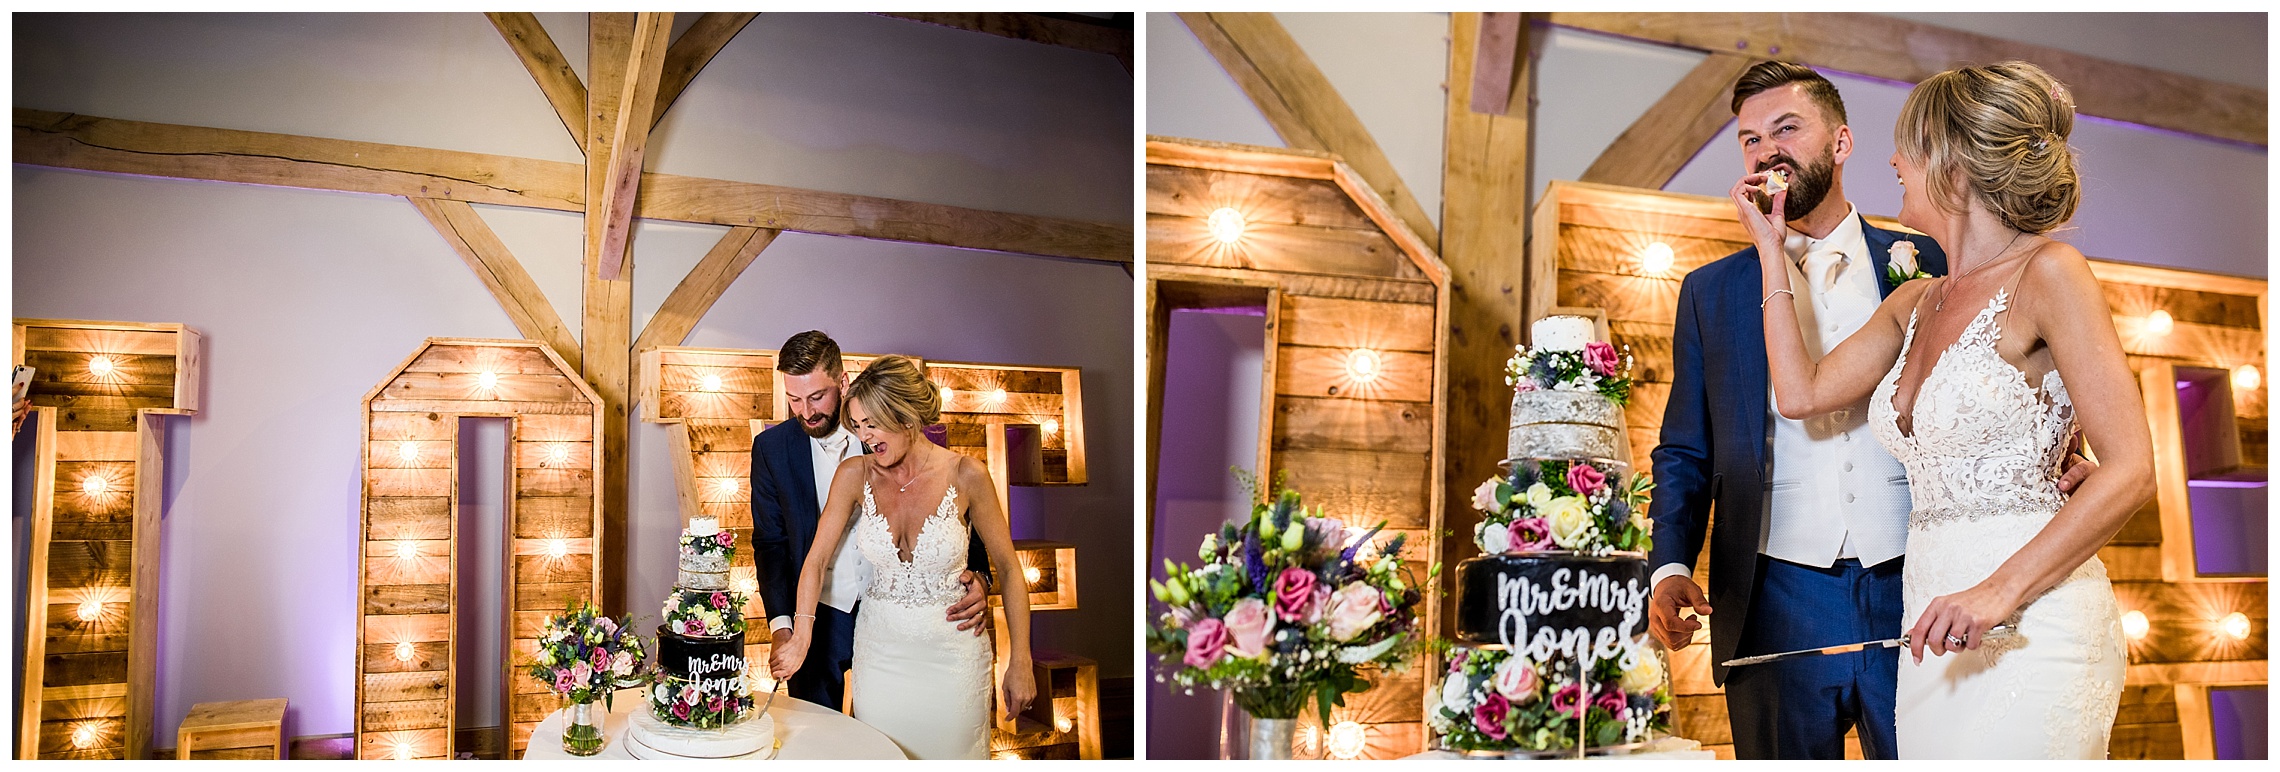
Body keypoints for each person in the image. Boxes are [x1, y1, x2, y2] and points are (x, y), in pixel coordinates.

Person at [1645, 61, 2094, 760]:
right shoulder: (1711, 291)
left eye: (1786, 128)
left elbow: (2019, 376)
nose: (1767, 151)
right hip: (1774, 593)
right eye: (1749, 140)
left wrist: (2051, 448)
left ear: (1841, 144)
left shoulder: (1937, 259)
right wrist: (1669, 564)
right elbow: (1686, 447)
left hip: (1915, 577)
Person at [768, 355, 1035, 759]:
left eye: (872, 424)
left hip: (954, 658)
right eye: (856, 426)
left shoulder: (967, 474)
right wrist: (801, 635)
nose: (864, 436)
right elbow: (816, 559)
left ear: (906, 416)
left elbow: (1011, 571)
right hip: (880, 658)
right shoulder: (854, 474)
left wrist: (1021, 661)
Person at [751, 332, 992, 713]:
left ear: (843, 382)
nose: (806, 411)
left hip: (898, 618)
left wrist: (980, 576)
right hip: (816, 614)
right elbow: (770, 544)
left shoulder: (894, 426)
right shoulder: (771, 449)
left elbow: (957, 516)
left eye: (817, 397)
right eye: (794, 399)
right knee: (817, 735)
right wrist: (785, 627)